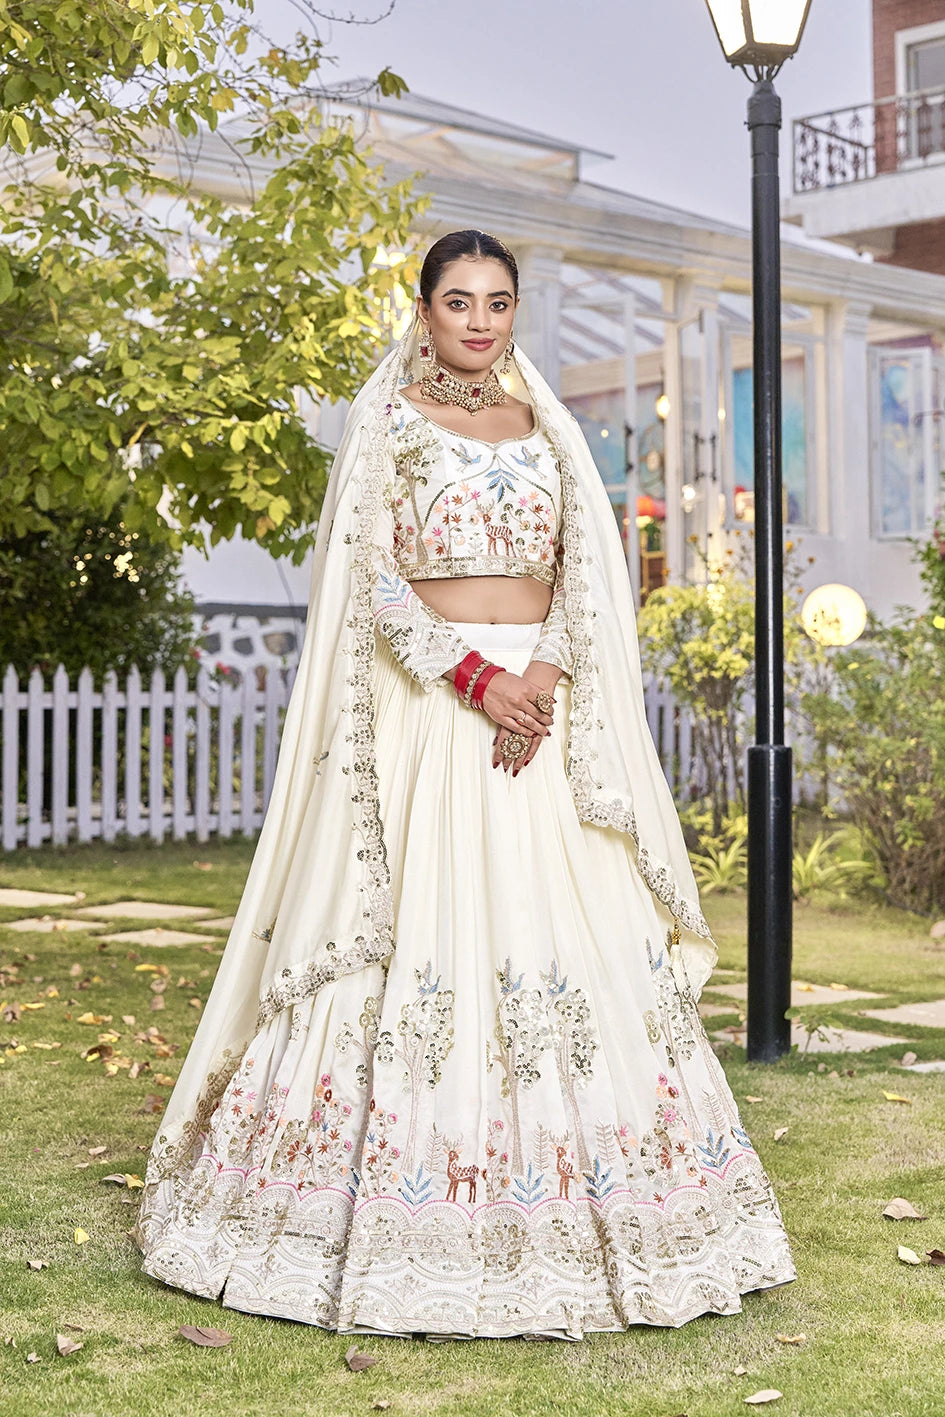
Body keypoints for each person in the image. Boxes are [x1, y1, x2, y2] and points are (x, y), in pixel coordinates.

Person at [134, 229, 796, 1340]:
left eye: (497, 301)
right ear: (425, 308)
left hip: (542, 711)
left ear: (514, 311)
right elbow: (373, 583)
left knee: (562, 933)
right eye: (458, 300)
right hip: (436, 716)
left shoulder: (548, 424)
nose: (479, 320)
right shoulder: (389, 421)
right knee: (419, 936)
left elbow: (592, 567)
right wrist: (479, 675)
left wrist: (541, 674)